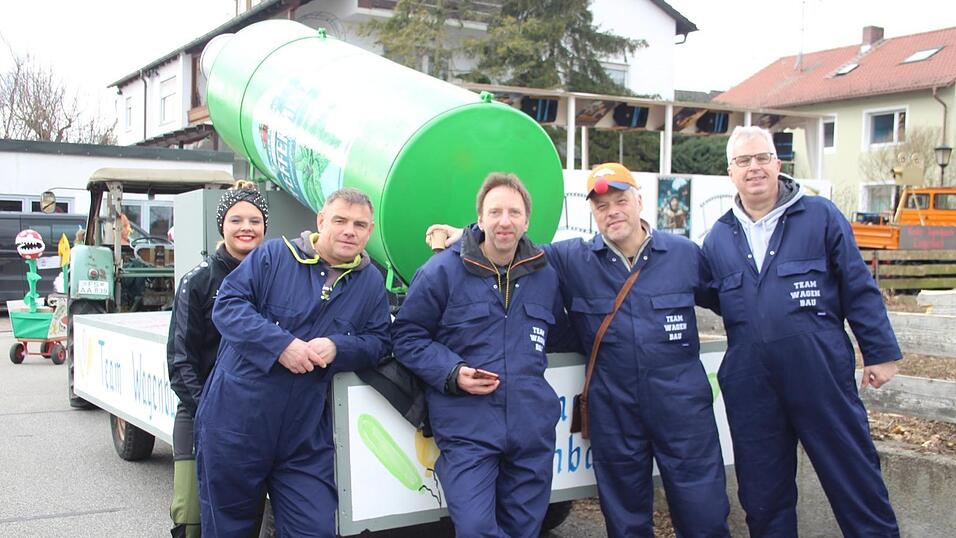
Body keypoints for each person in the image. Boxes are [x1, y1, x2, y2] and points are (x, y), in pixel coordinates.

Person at [427, 163, 730, 537]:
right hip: (615, 411)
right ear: (593, 213)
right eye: (602, 206)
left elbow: (729, 302)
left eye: (621, 201)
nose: (612, 211)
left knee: (704, 513)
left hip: (682, 408)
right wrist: (464, 235)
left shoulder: (684, 254)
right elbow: (512, 247)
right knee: (626, 521)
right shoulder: (573, 259)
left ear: (640, 200)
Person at [702, 126, 901, 536]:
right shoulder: (718, 237)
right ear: (730, 172)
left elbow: (857, 285)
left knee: (854, 477)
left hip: (819, 372)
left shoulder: (820, 216)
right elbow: (717, 299)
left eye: (762, 158)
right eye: (743, 161)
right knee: (763, 493)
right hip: (752, 383)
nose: (754, 168)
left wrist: (879, 352)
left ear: (777, 164)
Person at [195, 187, 391, 537]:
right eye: (340, 221)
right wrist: (281, 345)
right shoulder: (274, 256)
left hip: (305, 436)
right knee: (228, 529)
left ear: (370, 231)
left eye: (359, 225)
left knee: (314, 528)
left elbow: (379, 342)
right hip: (237, 424)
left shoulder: (370, 282)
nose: (349, 231)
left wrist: (338, 347)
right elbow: (228, 306)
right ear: (321, 221)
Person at [392, 173, 571, 538]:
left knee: (524, 529)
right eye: (495, 212)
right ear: (479, 218)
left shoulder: (545, 275)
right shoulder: (442, 271)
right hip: (467, 427)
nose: (505, 221)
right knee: (475, 527)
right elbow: (407, 336)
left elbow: (558, 335)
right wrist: (452, 371)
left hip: (531, 427)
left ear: (526, 221)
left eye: (514, 213)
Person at [166, 181, 269, 538]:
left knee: (245, 518)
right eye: (236, 220)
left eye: (255, 221)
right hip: (202, 414)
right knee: (192, 519)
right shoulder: (197, 282)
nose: (246, 228)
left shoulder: (275, 278)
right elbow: (181, 360)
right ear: (221, 225)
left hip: (255, 417)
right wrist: (210, 411)